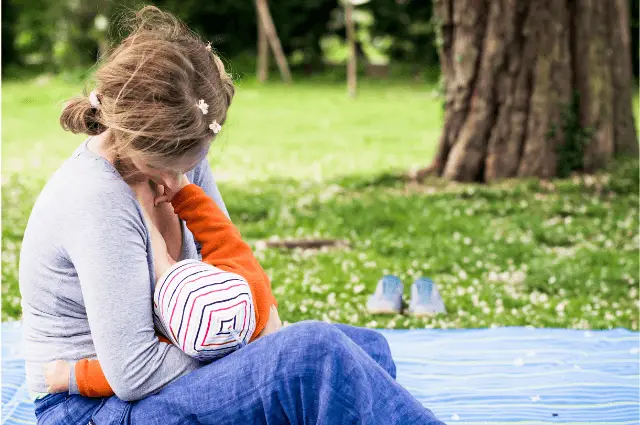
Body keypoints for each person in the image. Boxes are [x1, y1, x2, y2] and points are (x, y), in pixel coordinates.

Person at [18, 6, 445, 425]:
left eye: (196, 158)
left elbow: (229, 264)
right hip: (92, 407)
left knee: (368, 351)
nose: (183, 173)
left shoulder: (178, 153)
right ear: (137, 139)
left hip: (166, 366)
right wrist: (252, 342)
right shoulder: (97, 201)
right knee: (316, 356)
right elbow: (134, 373)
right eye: (170, 163)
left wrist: (256, 335)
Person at [43, 175, 282, 396]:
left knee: (157, 254)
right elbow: (219, 228)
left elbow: (126, 371)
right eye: (173, 265)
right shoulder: (249, 280)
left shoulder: (182, 340)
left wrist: (71, 377)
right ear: (220, 271)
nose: (169, 262)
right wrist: (183, 192)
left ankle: (139, 217)